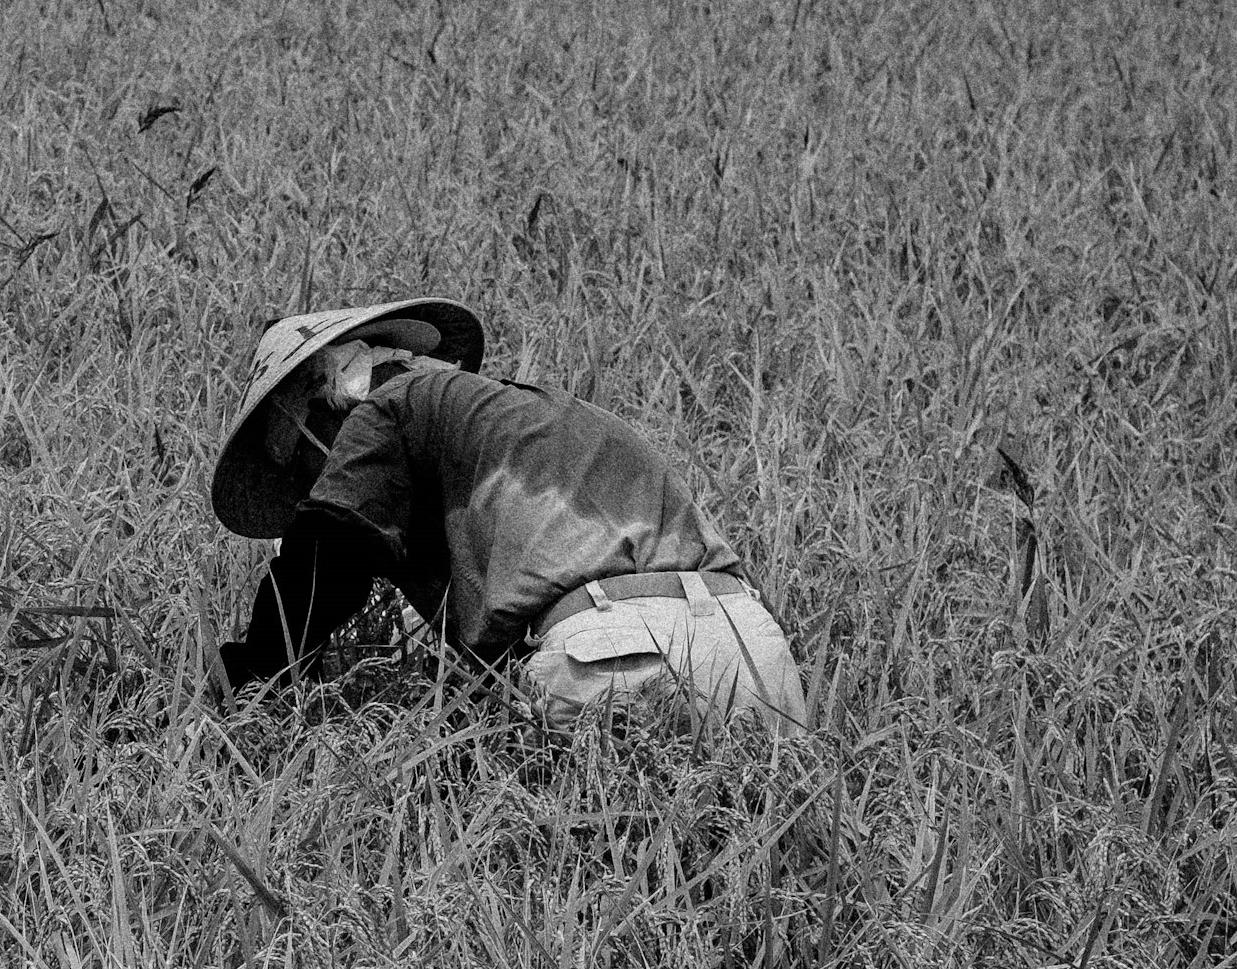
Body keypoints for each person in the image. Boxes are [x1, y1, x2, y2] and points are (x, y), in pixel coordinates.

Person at [207, 296, 807, 726]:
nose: (316, 486)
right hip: (754, 652)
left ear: (329, 411)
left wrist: (244, 683)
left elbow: (325, 563)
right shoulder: (543, 417)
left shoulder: (387, 406)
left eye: (307, 470)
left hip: (615, 656)